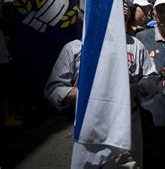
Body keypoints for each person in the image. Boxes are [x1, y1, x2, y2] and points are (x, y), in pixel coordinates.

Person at [45, 37, 158, 168]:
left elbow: (153, 78)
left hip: (127, 125)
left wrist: (136, 88)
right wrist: (92, 94)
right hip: (90, 128)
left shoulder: (135, 45)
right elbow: (53, 90)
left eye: (125, 15)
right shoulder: (74, 47)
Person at [136, 0, 165, 169]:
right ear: (154, 15)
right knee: (146, 157)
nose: (164, 15)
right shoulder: (141, 38)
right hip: (146, 108)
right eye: (160, 11)